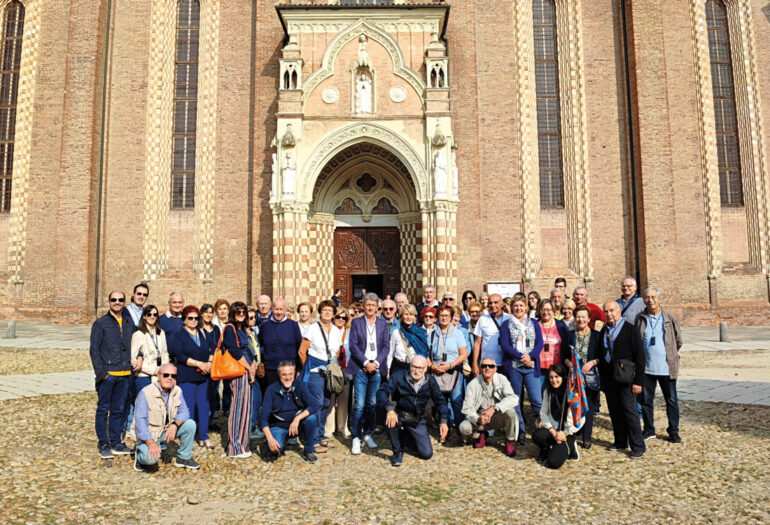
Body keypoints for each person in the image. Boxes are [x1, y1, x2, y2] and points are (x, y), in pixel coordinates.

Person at [377, 356, 448, 466]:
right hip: (399, 413)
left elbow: (440, 401)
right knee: (391, 420)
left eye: (420, 368)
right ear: (409, 366)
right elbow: (381, 392)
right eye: (414, 367)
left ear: (425, 369)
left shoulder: (430, 381)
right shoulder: (398, 376)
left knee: (426, 454)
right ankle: (397, 452)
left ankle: (403, 437)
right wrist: (389, 409)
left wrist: (443, 421)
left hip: (417, 418)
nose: (416, 371)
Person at [90, 290, 135, 458]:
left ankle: (116, 442)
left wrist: (138, 357)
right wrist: (102, 373)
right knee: (103, 410)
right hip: (109, 375)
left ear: (124, 302)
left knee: (118, 410)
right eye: (114, 299)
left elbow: (136, 342)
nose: (117, 302)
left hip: (125, 373)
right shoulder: (101, 323)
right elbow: (94, 350)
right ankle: (103, 443)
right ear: (109, 302)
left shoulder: (129, 322)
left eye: (120, 300)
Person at [636, 286, 683, 444]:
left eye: (653, 297)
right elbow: (636, 341)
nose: (650, 300)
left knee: (671, 400)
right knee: (646, 401)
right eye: (647, 297)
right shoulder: (640, 318)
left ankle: (673, 431)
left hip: (666, 368)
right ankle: (649, 429)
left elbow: (678, 340)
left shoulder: (669, 318)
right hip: (646, 368)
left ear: (659, 299)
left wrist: (669, 354)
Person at [598, 301, 646, 458]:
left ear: (619, 311)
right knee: (615, 412)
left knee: (630, 413)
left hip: (626, 379)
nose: (609, 314)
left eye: (612, 310)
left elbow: (640, 356)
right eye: (606, 311)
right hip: (610, 379)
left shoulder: (630, 329)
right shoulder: (604, 330)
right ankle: (620, 441)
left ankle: (638, 446)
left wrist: (638, 381)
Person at [131, 364, 200, 472]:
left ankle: (184, 457)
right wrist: (151, 443)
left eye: (173, 376)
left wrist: (175, 425)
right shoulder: (146, 393)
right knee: (151, 459)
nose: (170, 378)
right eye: (166, 375)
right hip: (150, 435)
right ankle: (140, 455)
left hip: (166, 430)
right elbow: (140, 422)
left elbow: (185, 412)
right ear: (158, 376)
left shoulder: (177, 390)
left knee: (190, 424)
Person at [347, 293, 390, 455]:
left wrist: (376, 363)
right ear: (363, 306)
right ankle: (356, 437)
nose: (370, 307)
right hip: (361, 367)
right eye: (368, 304)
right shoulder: (356, 322)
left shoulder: (382, 324)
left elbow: (386, 346)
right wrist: (366, 363)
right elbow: (353, 346)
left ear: (377, 307)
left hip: (377, 368)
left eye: (373, 305)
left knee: (372, 403)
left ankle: (367, 434)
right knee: (359, 404)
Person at [298, 299, 343, 453]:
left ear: (333, 313)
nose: (327, 313)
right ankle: (312, 438)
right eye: (324, 310)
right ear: (320, 312)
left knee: (326, 403)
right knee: (316, 403)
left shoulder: (336, 330)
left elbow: (337, 351)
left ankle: (320, 435)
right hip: (315, 372)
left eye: (330, 310)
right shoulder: (312, 328)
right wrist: (309, 367)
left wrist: (331, 364)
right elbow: (302, 352)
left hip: (329, 372)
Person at [168, 305, 214, 449]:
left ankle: (203, 436)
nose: (193, 320)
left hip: (204, 376)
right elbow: (180, 356)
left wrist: (209, 364)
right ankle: (189, 438)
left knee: (204, 406)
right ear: (184, 320)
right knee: (189, 408)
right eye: (190, 318)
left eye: (196, 318)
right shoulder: (179, 335)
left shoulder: (202, 332)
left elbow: (212, 349)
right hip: (188, 376)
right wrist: (199, 364)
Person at [500, 295, 543, 444]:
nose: (518, 308)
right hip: (514, 367)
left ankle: (544, 427)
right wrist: (520, 357)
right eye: (516, 306)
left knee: (537, 400)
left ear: (526, 308)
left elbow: (539, 343)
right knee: (515, 401)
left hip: (531, 366)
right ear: (512, 308)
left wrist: (530, 356)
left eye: (521, 306)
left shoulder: (534, 323)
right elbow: (505, 345)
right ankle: (520, 431)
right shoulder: (506, 324)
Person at [260, 360, 321, 463]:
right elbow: (263, 417)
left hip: (296, 426)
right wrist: (270, 438)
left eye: (290, 374)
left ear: (295, 374)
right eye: (284, 375)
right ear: (279, 375)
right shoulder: (271, 389)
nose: (288, 378)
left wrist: (297, 419)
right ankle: (274, 441)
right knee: (274, 450)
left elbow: (314, 405)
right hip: (278, 426)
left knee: (312, 418)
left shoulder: (300, 386)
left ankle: (308, 451)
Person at [459, 358, 519, 456]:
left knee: (511, 412)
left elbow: (514, 399)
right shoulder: (472, 384)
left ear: (495, 369)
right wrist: (477, 419)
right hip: (480, 419)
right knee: (463, 427)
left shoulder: (501, 379)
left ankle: (509, 441)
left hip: (496, 417)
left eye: (491, 366)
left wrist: (494, 408)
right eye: (484, 366)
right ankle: (480, 434)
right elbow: (467, 409)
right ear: (480, 368)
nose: (487, 368)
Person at [127, 304, 169, 439]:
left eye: (155, 314)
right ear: (144, 316)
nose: (152, 317)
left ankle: (156, 434)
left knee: (158, 406)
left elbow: (165, 352)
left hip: (159, 375)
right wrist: (153, 370)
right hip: (144, 376)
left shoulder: (161, 333)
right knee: (144, 407)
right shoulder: (138, 334)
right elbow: (133, 359)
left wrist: (164, 369)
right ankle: (140, 434)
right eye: (149, 314)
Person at [221, 302, 256, 458]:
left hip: (245, 371)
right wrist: (248, 367)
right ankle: (234, 448)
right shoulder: (230, 328)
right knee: (238, 409)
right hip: (238, 372)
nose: (241, 314)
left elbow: (248, 350)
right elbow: (234, 350)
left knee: (245, 409)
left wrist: (252, 367)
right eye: (238, 312)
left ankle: (243, 444)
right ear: (233, 313)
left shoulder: (242, 329)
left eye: (243, 312)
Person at [431, 305, 468, 440]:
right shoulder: (432, 334)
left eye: (447, 315)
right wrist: (432, 366)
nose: (444, 318)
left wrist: (450, 365)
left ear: (451, 317)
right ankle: (444, 431)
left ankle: (461, 432)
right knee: (441, 403)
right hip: (437, 372)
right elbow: (427, 354)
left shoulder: (458, 333)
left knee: (456, 402)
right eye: (441, 315)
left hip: (453, 371)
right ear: (437, 317)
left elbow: (463, 354)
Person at [532, 363, 580, 468]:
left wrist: (565, 433)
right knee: (537, 436)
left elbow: (581, 419)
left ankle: (571, 447)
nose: (554, 380)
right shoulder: (548, 391)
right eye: (551, 377)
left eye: (557, 377)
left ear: (563, 377)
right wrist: (552, 431)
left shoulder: (571, 393)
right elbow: (543, 413)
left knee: (553, 462)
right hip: (554, 428)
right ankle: (545, 449)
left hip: (566, 432)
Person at [571, 305, 602, 449]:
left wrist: (592, 362)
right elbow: (565, 355)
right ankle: (577, 430)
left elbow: (602, 356)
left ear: (589, 319)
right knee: (576, 404)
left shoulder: (596, 336)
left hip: (590, 376)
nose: (580, 319)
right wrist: (569, 364)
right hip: (574, 375)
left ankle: (587, 438)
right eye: (578, 316)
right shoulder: (570, 335)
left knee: (588, 405)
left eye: (583, 317)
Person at [258, 298, 303, 389]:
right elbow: (261, 345)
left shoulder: (293, 325)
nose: (278, 312)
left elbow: (299, 347)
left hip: (289, 370)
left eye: (281, 309)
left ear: (285, 310)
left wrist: (299, 368)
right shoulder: (265, 326)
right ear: (272, 309)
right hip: (270, 370)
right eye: (276, 309)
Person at [471, 294, 512, 377]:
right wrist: (475, 363)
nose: (493, 305)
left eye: (496, 302)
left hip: (505, 363)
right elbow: (477, 343)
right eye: (490, 303)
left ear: (502, 304)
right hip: (487, 364)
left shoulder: (510, 318)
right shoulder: (483, 319)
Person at [326, 307, 351, 438]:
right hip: (332, 367)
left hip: (345, 368)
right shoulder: (329, 331)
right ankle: (329, 428)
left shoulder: (350, 333)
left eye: (344, 318)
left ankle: (342, 427)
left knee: (344, 398)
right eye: (338, 317)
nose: (341, 320)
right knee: (331, 398)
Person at [389, 304, 429, 382]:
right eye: (406, 314)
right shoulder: (396, 332)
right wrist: (388, 370)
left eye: (411, 314)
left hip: (415, 369)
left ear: (414, 317)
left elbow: (424, 353)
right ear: (401, 316)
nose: (408, 317)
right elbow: (390, 353)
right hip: (399, 368)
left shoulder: (420, 333)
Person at [537, 299, 570, 391]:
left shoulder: (561, 325)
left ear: (553, 311)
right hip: (540, 369)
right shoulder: (534, 325)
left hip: (557, 369)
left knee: (556, 395)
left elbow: (566, 345)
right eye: (543, 309)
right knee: (541, 396)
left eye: (548, 309)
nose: (545, 312)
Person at [200, 303, 222, 428]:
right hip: (202, 365)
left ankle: (211, 419)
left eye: (210, 312)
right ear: (201, 314)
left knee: (213, 393)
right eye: (206, 312)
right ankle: (202, 420)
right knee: (203, 394)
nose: (208, 315)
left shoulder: (216, 329)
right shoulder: (198, 329)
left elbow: (218, 345)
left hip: (214, 365)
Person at [246, 307, 264, 440]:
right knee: (253, 399)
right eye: (250, 318)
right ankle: (250, 428)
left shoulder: (253, 333)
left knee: (256, 399)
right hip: (248, 371)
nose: (253, 320)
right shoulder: (242, 334)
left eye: (254, 317)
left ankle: (252, 426)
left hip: (256, 370)